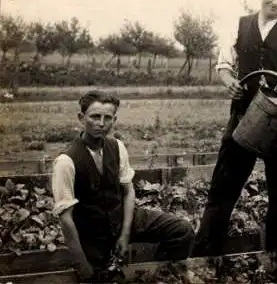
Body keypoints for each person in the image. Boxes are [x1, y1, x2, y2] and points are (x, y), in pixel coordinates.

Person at [192, 0, 277, 257]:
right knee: (223, 188)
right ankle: (205, 257)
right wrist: (228, 82)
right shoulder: (240, 24)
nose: (276, 1)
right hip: (243, 117)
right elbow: (223, 65)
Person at [51, 90, 195, 283]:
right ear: (81, 118)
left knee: (182, 231)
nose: (101, 123)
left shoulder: (117, 146)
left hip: (120, 218)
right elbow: (66, 219)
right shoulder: (66, 161)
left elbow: (128, 192)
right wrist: (81, 264)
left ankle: (160, 276)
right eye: (95, 117)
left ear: (114, 120)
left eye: (107, 118)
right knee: (102, 277)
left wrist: (125, 235)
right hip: (93, 232)